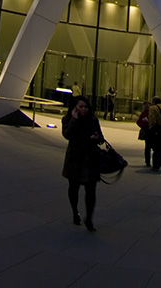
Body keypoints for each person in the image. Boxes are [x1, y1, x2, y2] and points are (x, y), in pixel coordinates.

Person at [62, 96, 104, 231]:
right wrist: (74, 120)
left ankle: (89, 219)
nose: (84, 109)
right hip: (75, 159)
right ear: (75, 107)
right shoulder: (68, 119)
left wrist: (97, 137)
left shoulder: (93, 120)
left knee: (91, 191)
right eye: (81, 107)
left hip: (90, 159)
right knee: (73, 188)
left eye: (86, 107)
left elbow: (101, 138)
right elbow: (67, 134)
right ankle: (75, 212)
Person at [137, 99, 151, 166]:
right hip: (149, 131)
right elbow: (139, 122)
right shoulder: (145, 113)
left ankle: (148, 161)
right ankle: (148, 161)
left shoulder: (145, 113)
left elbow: (138, 122)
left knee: (148, 147)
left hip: (148, 131)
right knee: (148, 147)